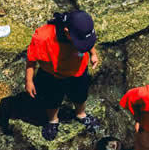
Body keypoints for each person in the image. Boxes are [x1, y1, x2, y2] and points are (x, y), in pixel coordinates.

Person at [25, 10, 101, 141]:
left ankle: (81, 114)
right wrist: (29, 81)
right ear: (66, 31)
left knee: (80, 95)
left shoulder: (83, 30)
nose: (83, 45)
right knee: (52, 99)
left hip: (78, 71)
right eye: (80, 42)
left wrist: (93, 54)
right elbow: (31, 59)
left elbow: (89, 41)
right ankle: (53, 120)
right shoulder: (43, 37)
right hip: (51, 75)